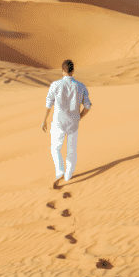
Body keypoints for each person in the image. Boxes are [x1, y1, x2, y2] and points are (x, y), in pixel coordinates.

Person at [42, 59, 92, 189]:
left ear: (62, 70)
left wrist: (44, 119)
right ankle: (68, 176)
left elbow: (49, 103)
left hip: (58, 122)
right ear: (73, 70)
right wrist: (79, 117)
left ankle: (59, 171)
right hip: (73, 124)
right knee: (71, 150)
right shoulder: (81, 86)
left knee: (55, 148)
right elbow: (88, 105)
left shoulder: (55, 84)